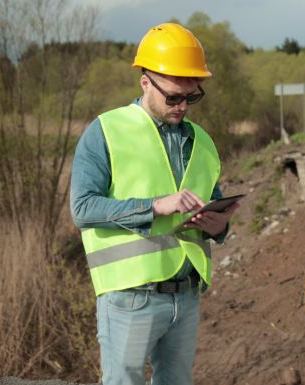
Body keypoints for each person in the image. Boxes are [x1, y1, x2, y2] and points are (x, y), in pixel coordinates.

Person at [70, 23, 238, 385]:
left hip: (186, 294)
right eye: (174, 97)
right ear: (145, 81)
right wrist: (155, 206)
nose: (182, 107)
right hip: (131, 297)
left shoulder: (203, 142)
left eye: (191, 98)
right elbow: (83, 208)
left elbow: (216, 204)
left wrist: (219, 226)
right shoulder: (106, 131)